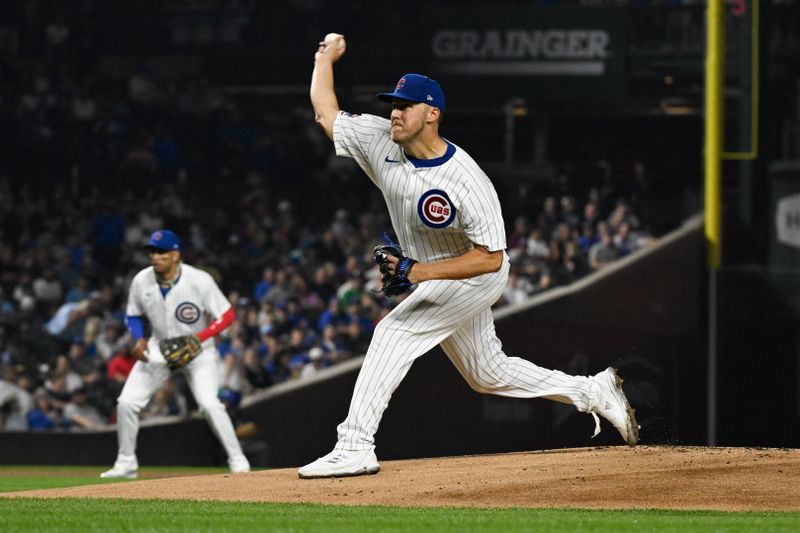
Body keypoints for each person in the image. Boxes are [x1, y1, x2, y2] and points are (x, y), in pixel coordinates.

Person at [298, 36, 639, 479]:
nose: (395, 112)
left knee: (392, 334)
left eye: (405, 105)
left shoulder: (466, 180)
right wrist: (325, 58)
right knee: (486, 372)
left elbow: (491, 259)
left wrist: (419, 272)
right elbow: (325, 110)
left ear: (432, 114)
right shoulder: (377, 138)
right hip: (438, 272)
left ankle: (355, 445)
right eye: (393, 104)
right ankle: (593, 391)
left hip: (475, 272)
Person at [100, 229, 250, 479]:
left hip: (198, 351)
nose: (155, 257)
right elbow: (133, 314)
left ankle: (238, 461)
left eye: (161, 252)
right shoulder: (141, 280)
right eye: (152, 252)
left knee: (210, 404)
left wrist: (199, 338)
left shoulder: (199, 280)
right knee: (126, 402)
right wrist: (138, 338)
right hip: (159, 348)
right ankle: (126, 463)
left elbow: (227, 315)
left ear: (175, 255)